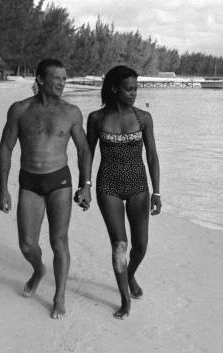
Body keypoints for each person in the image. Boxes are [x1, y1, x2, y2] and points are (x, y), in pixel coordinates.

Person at [0, 58, 93, 319]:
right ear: (40, 79)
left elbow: (84, 149)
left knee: (58, 241)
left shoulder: (71, 112)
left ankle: (59, 295)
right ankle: (39, 270)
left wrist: (86, 185)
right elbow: (6, 147)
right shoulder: (20, 110)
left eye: (65, 78)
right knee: (27, 245)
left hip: (59, 181)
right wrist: (2, 188)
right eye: (57, 78)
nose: (63, 82)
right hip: (30, 181)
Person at [85, 65, 161, 319]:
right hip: (108, 185)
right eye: (129, 89)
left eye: (137, 88)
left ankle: (130, 275)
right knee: (120, 246)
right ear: (115, 88)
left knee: (140, 246)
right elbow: (87, 154)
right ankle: (124, 300)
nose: (134, 93)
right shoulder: (96, 119)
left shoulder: (143, 118)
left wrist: (157, 192)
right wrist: (84, 185)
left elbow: (151, 156)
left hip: (138, 185)